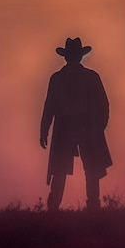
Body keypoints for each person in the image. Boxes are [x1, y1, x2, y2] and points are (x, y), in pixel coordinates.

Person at [40, 37, 112, 211]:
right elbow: (104, 104)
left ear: (66, 57)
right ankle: (93, 206)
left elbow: (49, 106)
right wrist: (98, 126)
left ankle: (53, 208)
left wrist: (44, 131)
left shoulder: (57, 79)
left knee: (60, 169)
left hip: (65, 127)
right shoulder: (91, 77)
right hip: (87, 126)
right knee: (91, 169)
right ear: (80, 57)